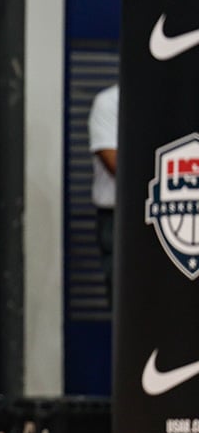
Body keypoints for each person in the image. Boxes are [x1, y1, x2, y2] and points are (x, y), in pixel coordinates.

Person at [88, 83, 119, 295]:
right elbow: (116, 165)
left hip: (178, 209)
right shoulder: (109, 102)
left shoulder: (180, 102)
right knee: (125, 298)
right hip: (119, 217)